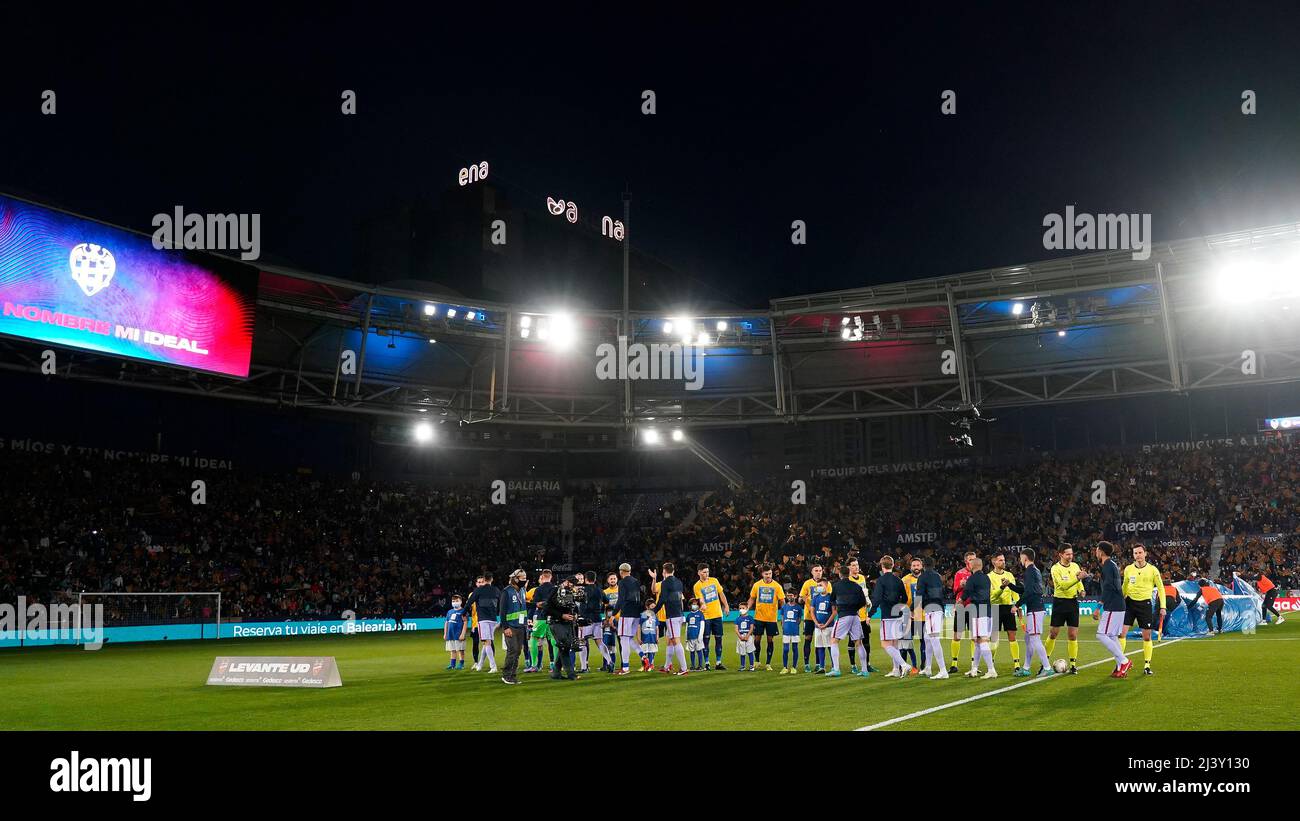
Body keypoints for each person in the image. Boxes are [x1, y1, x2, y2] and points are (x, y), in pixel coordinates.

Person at [1120, 544, 1166, 676]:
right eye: (1135, 553)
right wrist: (1119, 601)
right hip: (1129, 603)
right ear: (1133, 555)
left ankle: (1147, 665)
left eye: (1140, 552)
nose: (1138, 555)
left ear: (1145, 554)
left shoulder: (1153, 570)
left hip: (1145, 604)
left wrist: (1163, 606)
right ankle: (1121, 663)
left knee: (1146, 636)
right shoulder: (1128, 569)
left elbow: (1161, 589)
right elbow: (1124, 586)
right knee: (1121, 634)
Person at [1004, 547, 1052, 677]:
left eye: (1020, 558)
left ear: (1024, 558)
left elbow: (1029, 592)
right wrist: (1010, 585)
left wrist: (1017, 605)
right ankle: (1026, 667)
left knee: (1035, 638)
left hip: (1035, 609)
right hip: (1036, 609)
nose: (1020, 560)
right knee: (1028, 638)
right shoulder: (1033, 571)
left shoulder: (1030, 571)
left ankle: (1047, 668)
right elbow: (1026, 590)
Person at [1047, 544, 1087, 674]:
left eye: (1071, 554)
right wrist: (1077, 578)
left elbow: (1079, 582)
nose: (1070, 556)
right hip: (1059, 602)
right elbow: (1063, 586)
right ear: (1060, 555)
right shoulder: (1055, 569)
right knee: (1053, 633)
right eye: (1067, 554)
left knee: (1073, 634)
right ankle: (1044, 662)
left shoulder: (1075, 566)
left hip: (1072, 603)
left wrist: (1081, 590)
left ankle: (1073, 664)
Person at [1094, 541, 1131, 678]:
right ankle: (1120, 668)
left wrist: (1098, 607)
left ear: (1102, 552)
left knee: (1101, 634)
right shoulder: (1111, 566)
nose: (1096, 552)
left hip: (1113, 606)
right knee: (1112, 636)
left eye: (1097, 550)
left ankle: (1124, 661)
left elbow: (1108, 587)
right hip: (1118, 605)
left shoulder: (1108, 566)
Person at [871, 556, 912, 678]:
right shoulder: (898, 580)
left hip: (887, 615)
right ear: (893, 565)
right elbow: (904, 598)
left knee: (885, 644)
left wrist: (870, 614)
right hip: (898, 615)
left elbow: (877, 599)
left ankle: (904, 665)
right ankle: (895, 669)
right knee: (894, 643)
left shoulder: (881, 581)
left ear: (882, 566)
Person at [830, 566, 870, 678]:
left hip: (843, 616)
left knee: (834, 640)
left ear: (840, 574)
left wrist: (839, 607)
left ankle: (836, 669)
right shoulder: (856, 586)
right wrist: (855, 607)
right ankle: (864, 670)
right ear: (849, 574)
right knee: (859, 643)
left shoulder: (836, 586)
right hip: (855, 616)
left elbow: (832, 600)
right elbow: (863, 601)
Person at [541, 576, 582, 681]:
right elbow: (546, 608)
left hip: (567, 623)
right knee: (564, 645)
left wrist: (576, 614)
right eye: (571, 583)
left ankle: (556, 673)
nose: (572, 586)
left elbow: (573, 606)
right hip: (556, 622)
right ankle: (571, 674)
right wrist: (561, 615)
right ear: (566, 581)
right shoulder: (555, 590)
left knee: (565, 646)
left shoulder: (570, 592)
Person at [651, 562, 688, 675]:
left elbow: (662, 599)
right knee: (670, 641)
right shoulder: (678, 582)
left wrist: (653, 612)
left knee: (676, 640)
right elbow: (680, 598)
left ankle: (684, 668)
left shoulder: (665, 583)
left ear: (664, 571)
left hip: (672, 616)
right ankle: (667, 666)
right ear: (673, 571)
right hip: (679, 614)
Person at [962, 557, 996, 679]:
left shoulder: (972, 578)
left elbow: (966, 594)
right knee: (977, 641)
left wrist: (959, 603)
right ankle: (974, 669)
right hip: (987, 610)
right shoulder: (986, 578)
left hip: (978, 612)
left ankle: (991, 669)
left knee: (981, 640)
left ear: (973, 566)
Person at [988, 553, 1021, 673]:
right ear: (994, 562)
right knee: (994, 638)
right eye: (1000, 560)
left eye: (1004, 560)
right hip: (995, 608)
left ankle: (1017, 664)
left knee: (1012, 635)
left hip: (1008, 608)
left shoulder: (1009, 575)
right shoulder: (989, 577)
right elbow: (991, 596)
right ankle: (991, 661)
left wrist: (1017, 605)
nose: (1003, 562)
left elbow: (1014, 592)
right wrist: (1001, 587)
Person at [747, 564, 784, 671]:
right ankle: (757, 661)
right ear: (762, 574)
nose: (768, 575)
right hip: (758, 617)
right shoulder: (757, 585)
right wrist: (747, 608)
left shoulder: (777, 586)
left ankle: (768, 663)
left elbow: (782, 601)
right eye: (766, 574)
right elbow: (752, 598)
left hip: (771, 618)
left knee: (770, 640)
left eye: (770, 573)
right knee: (756, 640)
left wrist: (783, 615)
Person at [693, 565, 730, 670]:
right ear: (699, 573)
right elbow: (700, 598)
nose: (706, 574)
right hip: (706, 616)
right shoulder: (697, 586)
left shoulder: (714, 581)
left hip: (717, 614)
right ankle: (707, 663)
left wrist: (726, 605)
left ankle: (718, 662)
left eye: (707, 572)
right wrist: (702, 604)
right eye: (704, 572)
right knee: (706, 640)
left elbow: (721, 593)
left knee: (719, 639)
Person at [916, 556, 948, 679]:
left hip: (931, 610)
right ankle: (928, 668)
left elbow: (919, 594)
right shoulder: (938, 576)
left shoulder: (923, 577)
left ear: (923, 565)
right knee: (927, 638)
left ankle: (943, 670)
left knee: (934, 639)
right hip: (939, 608)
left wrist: (912, 609)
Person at [799, 564, 834, 672]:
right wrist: (803, 599)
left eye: (820, 570)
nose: (818, 572)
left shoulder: (827, 584)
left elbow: (831, 598)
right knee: (808, 639)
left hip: (824, 618)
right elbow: (800, 598)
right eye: (816, 570)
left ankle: (819, 664)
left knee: (823, 642)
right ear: (812, 572)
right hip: (809, 616)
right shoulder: (807, 583)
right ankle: (806, 664)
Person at [464, 572, 501, 673]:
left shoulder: (478, 591)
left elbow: (469, 603)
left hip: (483, 620)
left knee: (486, 642)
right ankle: (479, 664)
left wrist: (463, 613)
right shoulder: (496, 590)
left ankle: (493, 666)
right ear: (492, 580)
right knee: (486, 643)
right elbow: (501, 603)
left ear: (484, 580)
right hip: (493, 619)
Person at [498, 569, 530, 685]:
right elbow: (502, 611)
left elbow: (523, 605)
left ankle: (512, 675)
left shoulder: (522, 590)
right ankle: (507, 676)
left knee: (517, 652)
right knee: (513, 651)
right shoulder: (506, 592)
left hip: (521, 626)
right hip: (511, 627)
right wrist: (505, 627)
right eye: (522, 578)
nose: (524, 580)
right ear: (515, 579)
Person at [846, 558, 875, 674]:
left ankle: (867, 664)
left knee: (866, 641)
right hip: (853, 616)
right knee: (852, 640)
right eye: (853, 565)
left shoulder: (862, 578)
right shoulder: (847, 580)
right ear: (848, 567)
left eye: (857, 565)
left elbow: (865, 594)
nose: (856, 567)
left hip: (864, 615)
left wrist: (868, 604)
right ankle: (853, 665)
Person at [524, 569, 555, 674]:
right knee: (554, 642)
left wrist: (530, 616)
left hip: (542, 618)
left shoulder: (538, 589)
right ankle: (555, 666)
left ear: (542, 577)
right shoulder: (556, 589)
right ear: (551, 577)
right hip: (554, 618)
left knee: (533, 638)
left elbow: (534, 604)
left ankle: (534, 665)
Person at [615, 562, 643, 675]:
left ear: (621, 572)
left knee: (623, 639)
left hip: (626, 614)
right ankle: (643, 656)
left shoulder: (622, 583)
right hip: (636, 613)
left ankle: (625, 667)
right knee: (629, 638)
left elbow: (621, 600)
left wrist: (613, 614)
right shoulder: (636, 581)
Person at [950, 551, 976, 674]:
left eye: (974, 559)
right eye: (971, 559)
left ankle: (974, 664)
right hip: (961, 607)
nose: (973, 561)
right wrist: (961, 585)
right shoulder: (959, 574)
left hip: (973, 607)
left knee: (974, 637)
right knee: (957, 636)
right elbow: (954, 590)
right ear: (966, 561)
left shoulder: (978, 574)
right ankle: (954, 664)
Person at [579, 571, 608, 673]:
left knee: (582, 641)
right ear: (595, 579)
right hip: (597, 619)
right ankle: (609, 662)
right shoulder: (600, 590)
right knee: (599, 641)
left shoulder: (583, 590)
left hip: (586, 619)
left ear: (586, 579)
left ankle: (584, 667)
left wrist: (580, 619)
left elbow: (582, 606)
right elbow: (606, 601)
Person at [900, 558, 924, 673]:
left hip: (923, 616)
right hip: (909, 616)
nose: (916, 567)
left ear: (922, 566)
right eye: (914, 565)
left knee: (924, 642)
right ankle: (904, 666)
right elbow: (901, 597)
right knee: (906, 641)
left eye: (918, 565)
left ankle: (924, 665)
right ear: (910, 567)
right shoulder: (905, 580)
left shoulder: (926, 578)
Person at [810, 578, 837, 676]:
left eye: (820, 585)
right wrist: (817, 623)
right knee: (820, 646)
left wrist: (826, 624)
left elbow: (834, 612)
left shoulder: (831, 597)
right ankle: (822, 667)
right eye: (818, 586)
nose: (818, 587)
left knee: (830, 647)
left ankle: (834, 666)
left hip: (828, 626)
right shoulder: (815, 598)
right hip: (818, 627)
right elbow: (812, 611)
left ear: (826, 586)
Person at [778, 591, 802, 674]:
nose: (789, 597)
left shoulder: (798, 608)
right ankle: (785, 667)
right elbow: (782, 618)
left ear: (795, 596)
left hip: (795, 631)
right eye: (787, 595)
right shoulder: (784, 607)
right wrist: (784, 626)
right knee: (786, 649)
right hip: (786, 631)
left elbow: (799, 619)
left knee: (795, 649)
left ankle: (794, 667)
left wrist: (794, 625)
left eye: (791, 595)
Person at [443, 593, 468, 670]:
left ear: (460, 601)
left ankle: (461, 664)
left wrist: (463, 634)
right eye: (453, 601)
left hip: (459, 634)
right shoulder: (450, 611)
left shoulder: (463, 611)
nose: (455, 602)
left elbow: (465, 622)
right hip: (450, 634)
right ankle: (452, 664)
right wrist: (445, 633)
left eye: (457, 601)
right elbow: (446, 622)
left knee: (460, 650)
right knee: (452, 649)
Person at [685, 598, 707, 671]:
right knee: (692, 651)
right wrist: (686, 637)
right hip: (690, 636)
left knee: (699, 650)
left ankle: (700, 665)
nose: (694, 605)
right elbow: (686, 627)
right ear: (690, 605)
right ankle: (692, 665)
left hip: (697, 636)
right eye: (693, 604)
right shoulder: (688, 615)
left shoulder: (700, 614)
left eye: (696, 604)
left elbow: (702, 626)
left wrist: (700, 636)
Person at [639, 599, 659, 670]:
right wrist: (638, 638)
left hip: (652, 637)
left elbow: (657, 628)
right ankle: (644, 665)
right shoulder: (642, 615)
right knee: (643, 652)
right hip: (644, 637)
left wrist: (657, 637)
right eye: (652, 606)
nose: (653, 608)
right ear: (647, 607)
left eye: (654, 607)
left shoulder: (655, 616)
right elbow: (639, 627)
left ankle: (650, 665)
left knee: (651, 651)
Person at [735, 604, 756, 671]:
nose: (741, 609)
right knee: (742, 652)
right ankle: (742, 666)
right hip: (740, 636)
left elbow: (752, 627)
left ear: (747, 609)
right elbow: (736, 629)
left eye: (743, 608)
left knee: (750, 651)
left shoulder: (750, 618)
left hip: (748, 636)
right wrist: (740, 636)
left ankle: (751, 666)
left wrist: (747, 636)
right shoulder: (738, 619)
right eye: (740, 608)